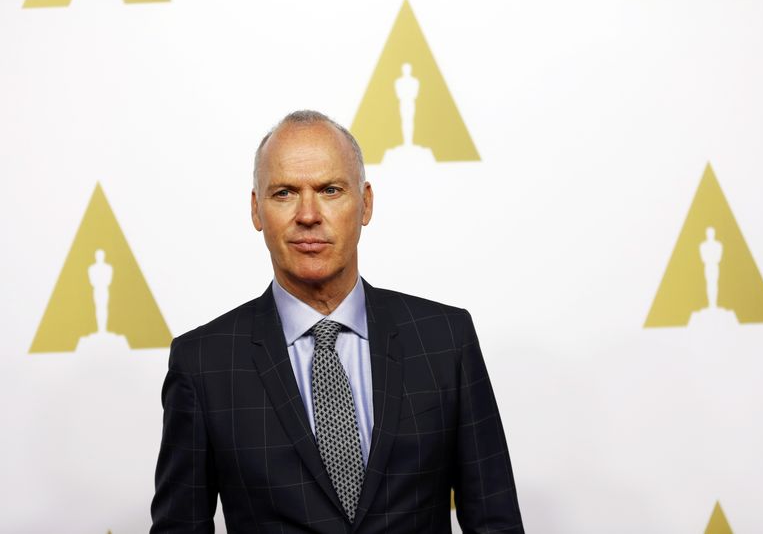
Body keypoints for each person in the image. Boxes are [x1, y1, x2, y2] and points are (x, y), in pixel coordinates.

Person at [150, 110, 523, 533]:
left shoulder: (445, 340)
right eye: (285, 193)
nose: (308, 214)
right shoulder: (203, 363)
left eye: (330, 190)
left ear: (365, 203)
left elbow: (496, 522)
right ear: (257, 210)